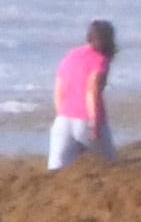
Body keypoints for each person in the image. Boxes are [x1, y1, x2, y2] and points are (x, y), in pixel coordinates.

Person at [47, 20, 118, 169]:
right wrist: (95, 124)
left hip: (63, 121)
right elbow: (92, 92)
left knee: (56, 170)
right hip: (85, 121)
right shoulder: (100, 61)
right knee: (111, 164)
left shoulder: (70, 56)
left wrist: (61, 114)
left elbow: (59, 90)